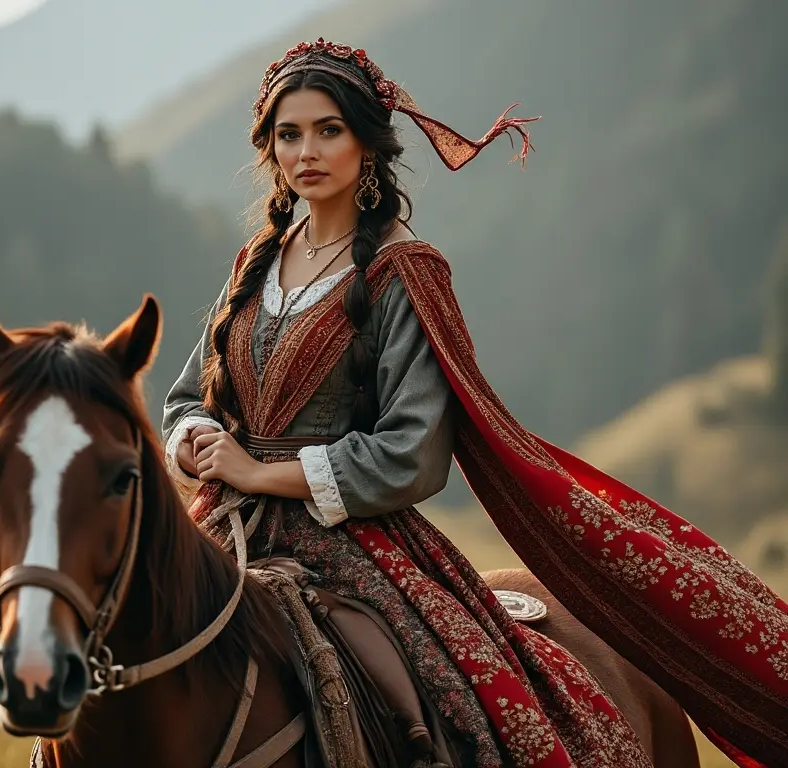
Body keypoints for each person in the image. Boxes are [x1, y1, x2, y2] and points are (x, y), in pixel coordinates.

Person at [162, 38, 787, 768]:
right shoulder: (255, 264)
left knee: (468, 710)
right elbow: (185, 399)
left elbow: (413, 452)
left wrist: (262, 473)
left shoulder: (406, 272)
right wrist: (194, 443)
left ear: (368, 142)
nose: (307, 150)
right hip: (224, 526)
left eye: (329, 129)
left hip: (354, 543)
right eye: (288, 134)